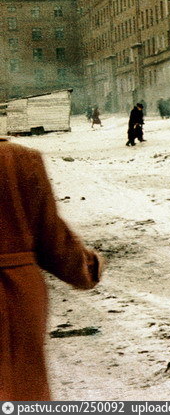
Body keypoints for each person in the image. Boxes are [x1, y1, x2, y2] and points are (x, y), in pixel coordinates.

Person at [0, 139, 103, 400]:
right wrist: (87, 268)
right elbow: (52, 238)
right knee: (18, 384)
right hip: (14, 294)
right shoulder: (19, 159)